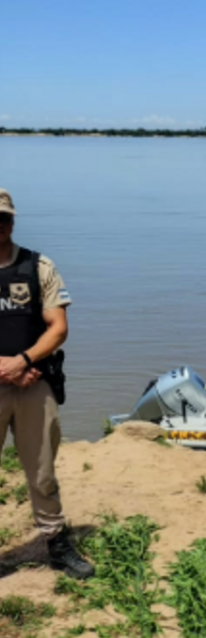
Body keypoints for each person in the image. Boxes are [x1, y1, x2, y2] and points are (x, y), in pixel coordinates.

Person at [0, 189, 94, 579]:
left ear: (13, 221)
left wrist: (23, 361)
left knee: (42, 472)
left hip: (33, 381)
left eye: (3, 218)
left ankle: (56, 544)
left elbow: (58, 328)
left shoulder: (39, 267)